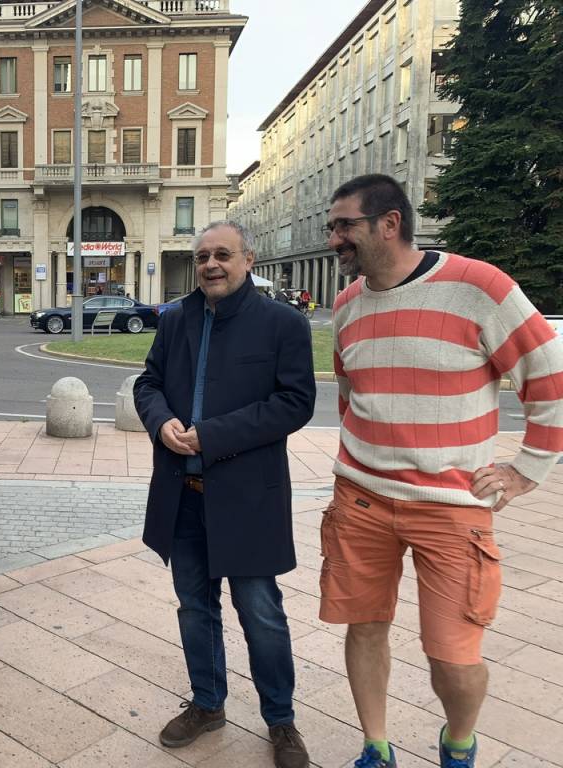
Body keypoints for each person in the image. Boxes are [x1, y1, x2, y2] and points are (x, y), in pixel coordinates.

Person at [323, 174, 563, 768]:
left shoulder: (478, 285)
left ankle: (459, 742)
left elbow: (549, 377)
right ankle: (376, 747)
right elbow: (351, 394)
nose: (334, 239)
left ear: (389, 223)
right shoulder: (347, 304)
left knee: (453, 657)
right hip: (361, 499)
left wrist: (526, 469)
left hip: (452, 507)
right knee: (364, 627)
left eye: (344, 225)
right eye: (332, 227)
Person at [134, 221, 316, 768]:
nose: (211, 264)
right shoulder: (177, 318)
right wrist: (162, 420)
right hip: (182, 492)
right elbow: (149, 383)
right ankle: (208, 703)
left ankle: (280, 721)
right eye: (202, 256)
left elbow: (295, 402)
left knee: (260, 612)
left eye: (222, 255)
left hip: (247, 498)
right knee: (194, 607)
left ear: (247, 259)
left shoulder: (282, 323)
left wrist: (212, 435)